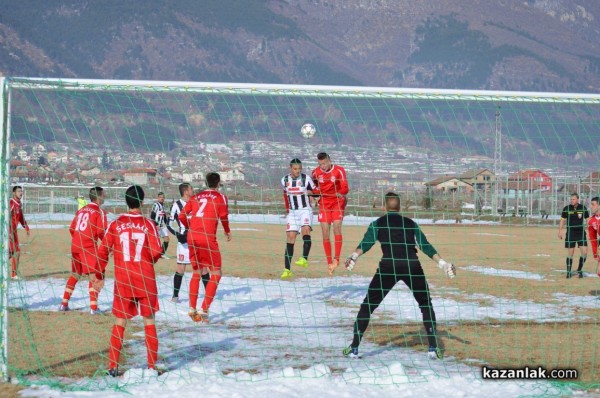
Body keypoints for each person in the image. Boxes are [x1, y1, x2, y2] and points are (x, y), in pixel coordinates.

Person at [342, 192, 456, 360]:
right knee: (425, 304)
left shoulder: (377, 223)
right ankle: (432, 347)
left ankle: (354, 347)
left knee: (368, 306)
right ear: (400, 207)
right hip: (412, 265)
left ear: (384, 207)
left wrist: (354, 255)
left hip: (389, 266)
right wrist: (442, 263)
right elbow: (425, 245)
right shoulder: (411, 223)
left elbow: (366, 243)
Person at [96, 185, 163, 377]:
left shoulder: (115, 224)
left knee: (120, 321)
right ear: (142, 202)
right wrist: (148, 259)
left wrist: (99, 275)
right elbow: (157, 251)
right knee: (149, 321)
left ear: (126, 201)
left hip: (124, 280)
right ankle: (151, 366)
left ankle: (112, 366)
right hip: (145, 279)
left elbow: (102, 251)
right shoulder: (149, 224)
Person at [179, 172, 231, 323]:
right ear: (219, 183)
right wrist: (227, 231)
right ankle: (204, 309)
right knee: (216, 272)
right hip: (207, 238)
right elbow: (224, 217)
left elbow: (182, 216)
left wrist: (191, 227)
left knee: (197, 271)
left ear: (206, 182)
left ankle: (191, 308)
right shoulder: (221, 197)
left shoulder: (196, 197)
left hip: (192, 237)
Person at [60, 187, 108, 314]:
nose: (105, 196)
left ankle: (63, 304)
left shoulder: (81, 210)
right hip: (88, 246)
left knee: (75, 274)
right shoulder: (99, 211)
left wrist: (78, 240)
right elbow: (101, 231)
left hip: (75, 245)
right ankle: (93, 308)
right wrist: (107, 246)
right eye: (104, 194)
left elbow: (72, 228)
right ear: (99, 197)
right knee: (95, 275)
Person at [166, 183, 209, 302]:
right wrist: (178, 235)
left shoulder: (196, 202)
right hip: (184, 242)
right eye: (191, 188)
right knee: (180, 268)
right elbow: (168, 224)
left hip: (197, 240)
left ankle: (209, 294)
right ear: (186, 192)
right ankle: (175, 296)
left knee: (203, 268)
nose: (193, 190)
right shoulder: (176, 205)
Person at [311, 152, 349, 275]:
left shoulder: (339, 171)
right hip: (324, 203)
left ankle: (336, 259)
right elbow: (315, 188)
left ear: (330, 161)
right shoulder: (315, 173)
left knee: (336, 228)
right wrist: (313, 194)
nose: (323, 166)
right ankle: (329, 263)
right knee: (325, 232)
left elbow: (345, 187)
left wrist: (341, 192)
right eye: (320, 164)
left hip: (337, 202)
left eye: (325, 163)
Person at [280, 158, 316, 279]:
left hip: (305, 210)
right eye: (295, 169)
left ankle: (304, 259)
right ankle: (287, 269)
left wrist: (312, 196)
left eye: (300, 168)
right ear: (290, 168)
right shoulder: (285, 180)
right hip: (292, 212)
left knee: (305, 230)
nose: (298, 171)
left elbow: (314, 190)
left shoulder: (306, 178)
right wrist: (287, 209)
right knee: (290, 237)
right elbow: (285, 194)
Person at [558, 193, 590, 278]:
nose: (572, 201)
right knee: (570, 253)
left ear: (578, 199)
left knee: (585, 253)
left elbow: (587, 220)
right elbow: (562, 220)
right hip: (570, 233)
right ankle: (569, 272)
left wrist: (590, 229)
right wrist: (560, 231)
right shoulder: (566, 208)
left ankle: (579, 270)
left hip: (581, 233)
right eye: (571, 199)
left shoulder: (583, 208)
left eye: (573, 199)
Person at [9, 186, 30, 280]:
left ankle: (14, 275)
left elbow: (20, 216)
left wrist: (26, 226)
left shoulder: (19, 203)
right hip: (8, 231)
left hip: (14, 232)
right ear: (14, 193)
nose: (21, 193)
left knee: (16, 253)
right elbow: (5, 216)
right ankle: (13, 275)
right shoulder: (11, 202)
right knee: (13, 252)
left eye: (21, 191)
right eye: (18, 191)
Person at [150, 191, 170, 259]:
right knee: (154, 241)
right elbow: (152, 215)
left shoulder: (163, 206)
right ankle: (151, 254)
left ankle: (162, 254)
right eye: (160, 197)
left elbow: (164, 216)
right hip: (156, 226)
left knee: (167, 239)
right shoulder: (156, 205)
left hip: (162, 226)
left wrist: (167, 223)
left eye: (163, 197)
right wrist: (156, 224)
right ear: (158, 198)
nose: (162, 198)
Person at [588, 196, 600, 277]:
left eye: (593, 204)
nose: (591, 206)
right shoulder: (591, 221)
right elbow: (593, 239)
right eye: (591, 204)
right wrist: (595, 254)